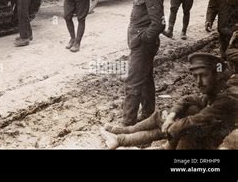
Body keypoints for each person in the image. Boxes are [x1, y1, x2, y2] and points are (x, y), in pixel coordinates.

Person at [101, 53, 237, 150]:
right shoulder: (215, 91)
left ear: (217, 75)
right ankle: (123, 135)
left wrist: (171, 127)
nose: (198, 82)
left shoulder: (228, 98)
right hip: (202, 133)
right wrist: (170, 117)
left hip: (212, 142)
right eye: (195, 76)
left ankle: (123, 139)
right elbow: (187, 99)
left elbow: (195, 121)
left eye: (203, 76)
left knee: (187, 125)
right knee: (171, 114)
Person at [123, 0, 165, 126]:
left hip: (143, 46)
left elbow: (159, 24)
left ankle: (128, 122)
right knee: (146, 79)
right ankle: (148, 115)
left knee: (132, 82)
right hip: (138, 44)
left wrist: (143, 38)